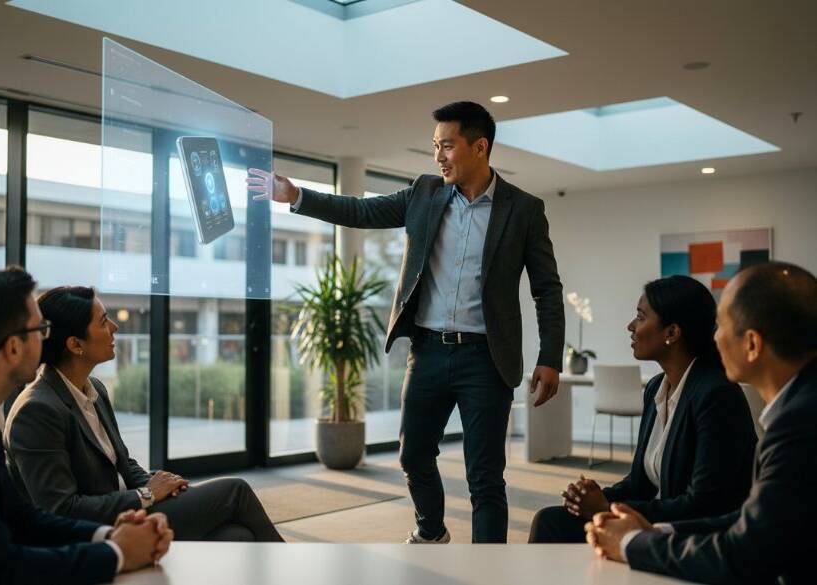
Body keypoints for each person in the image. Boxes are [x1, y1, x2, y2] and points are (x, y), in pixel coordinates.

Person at [248, 101, 565, 544]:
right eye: (435, 146)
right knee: (413, 455)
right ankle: (432, 532)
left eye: (447, 146)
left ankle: (490, 567)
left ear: (480, 147)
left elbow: (546, 289)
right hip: (428, 351)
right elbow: (362, 211)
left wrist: (550, 357)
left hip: (486, 359)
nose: (438, 157)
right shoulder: (424, 193)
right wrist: (297, 196)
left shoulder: (523, 209)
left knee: (485, 477)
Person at [0, 268, 172, 584]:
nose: (47, 339)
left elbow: (21, 518)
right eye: (41, 329)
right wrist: (117, 553)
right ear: (13, 348)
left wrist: (109, 535)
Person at [585, 262, 817, 585]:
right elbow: (751, 520)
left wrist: (631, 543)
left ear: (752, 344)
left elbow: (745, 553)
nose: (714, 338)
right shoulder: (799, 407)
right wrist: (655, 530)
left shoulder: (799, 424)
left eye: (722, 326)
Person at [4, 285, 283, 543]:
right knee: (235, 491)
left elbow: (123, 463)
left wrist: (165, 485)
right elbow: (62, 509)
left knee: (237, 536)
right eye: (103, 321)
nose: (114, 327)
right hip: (98, 530)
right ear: (76, 344)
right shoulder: (37, 411)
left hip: (129, 508)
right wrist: (146, 494)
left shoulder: (94, 389)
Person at [529, 275, 756, 543]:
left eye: (640, 317)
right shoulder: (657, 387)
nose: (630, 326)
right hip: (660, 521)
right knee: (550, 520)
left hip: (698, 535)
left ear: (672, 333)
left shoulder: (716, 395)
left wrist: (604, 508)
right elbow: (640, 484)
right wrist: (597, 497)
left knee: (555, 527)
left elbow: (704, 505)